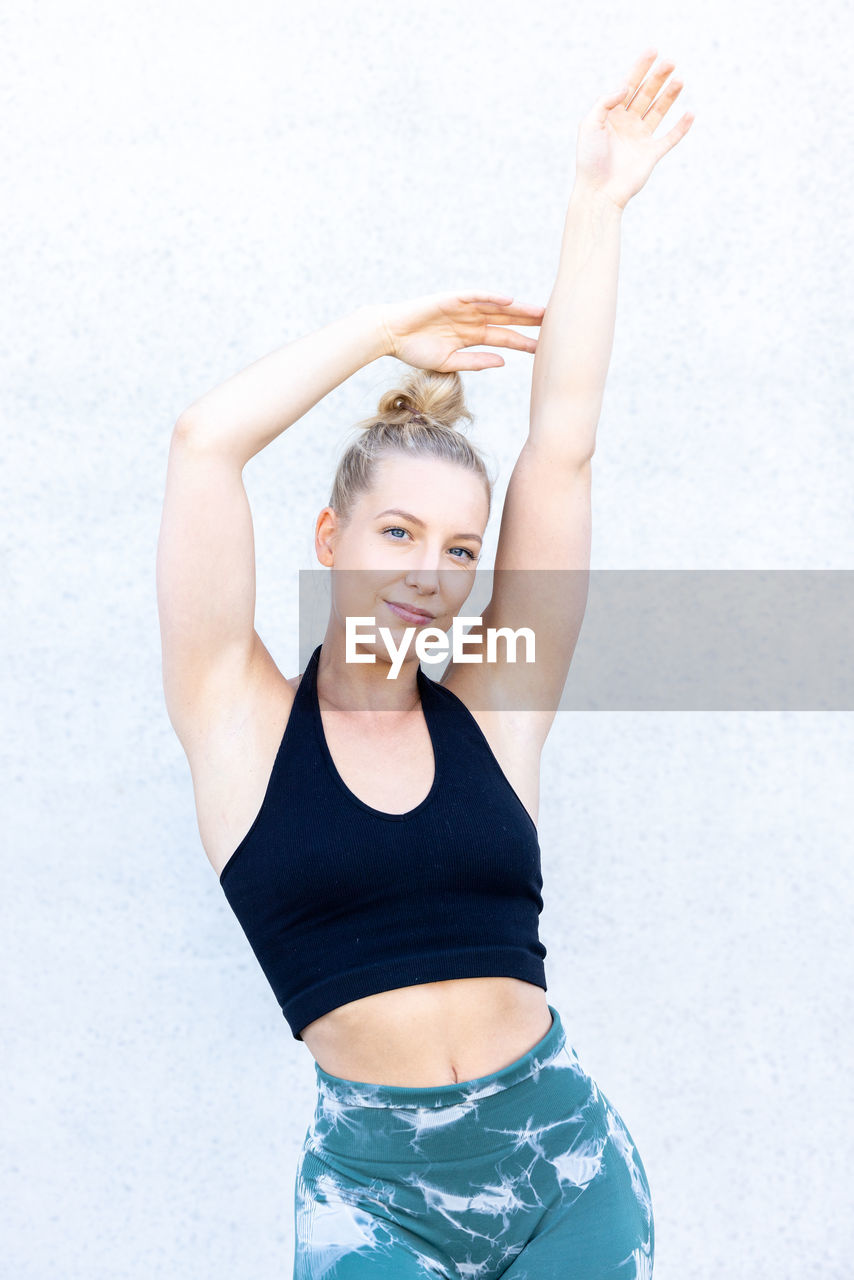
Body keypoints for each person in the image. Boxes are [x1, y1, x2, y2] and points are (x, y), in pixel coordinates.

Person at [156, 46, 693, 1280]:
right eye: (397, 532)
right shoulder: (238, 721)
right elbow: (203, 446)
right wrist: (390, 331)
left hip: (569, 1172)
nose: (430, 570)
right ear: (330, 538)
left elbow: (559, 451)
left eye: (457, 547)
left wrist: (595, 206)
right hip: (376, 1202)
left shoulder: (494, 704)